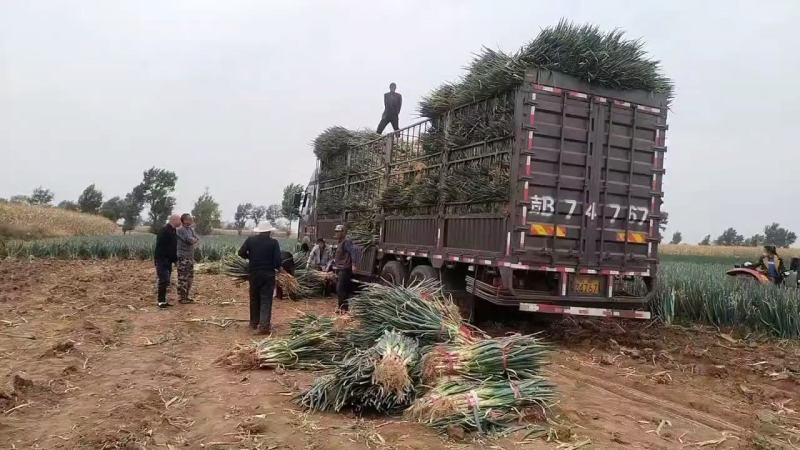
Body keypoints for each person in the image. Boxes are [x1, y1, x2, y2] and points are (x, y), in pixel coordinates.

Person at [238, 224, 282, 334]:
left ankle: (254, 323)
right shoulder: (273, 243)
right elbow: (277, 261)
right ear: (269, 232)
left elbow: (241, 252)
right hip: (268, 275)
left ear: (259, 231)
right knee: (266, 299)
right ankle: (264, 326)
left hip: (254, 274)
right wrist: (277, 268)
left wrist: (251, 257)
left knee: (254, 298)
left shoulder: (251, 240)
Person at [154, 214, 182, 309]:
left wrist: (174, 260)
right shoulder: (165, 231)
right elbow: (163, 247)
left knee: (166, 280)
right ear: (174, 220)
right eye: (179, 220)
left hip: (168, 260)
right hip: (162, 259)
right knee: (164, 280)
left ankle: (163, 301)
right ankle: (160, 301)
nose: (181, 222)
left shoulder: (173, 231)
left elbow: (172, 248)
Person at [176, 213, 200, 304]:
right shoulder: (180, 230)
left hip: (190, 257)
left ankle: (186, 296)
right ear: (184, 220)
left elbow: (196, 238)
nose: (191, 221)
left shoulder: (190, 229)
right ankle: (182, 297)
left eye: (191, 219)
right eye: (189, 219)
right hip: (183, 257)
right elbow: (190, 240)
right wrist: (193, 240)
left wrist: (194, 239)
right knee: (183, 278)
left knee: (190, 278)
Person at [333, 225, 355, 312]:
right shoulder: (340, 242)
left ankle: (344, 309)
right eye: (336, 232)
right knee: (340, 289)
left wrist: (354, 265)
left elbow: (353, 252)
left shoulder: (347, 242)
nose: (336, 233)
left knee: (340, 289)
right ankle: (341, 308)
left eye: (338, 232)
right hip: (340, 268)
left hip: (345, 268)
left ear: (343, 232)